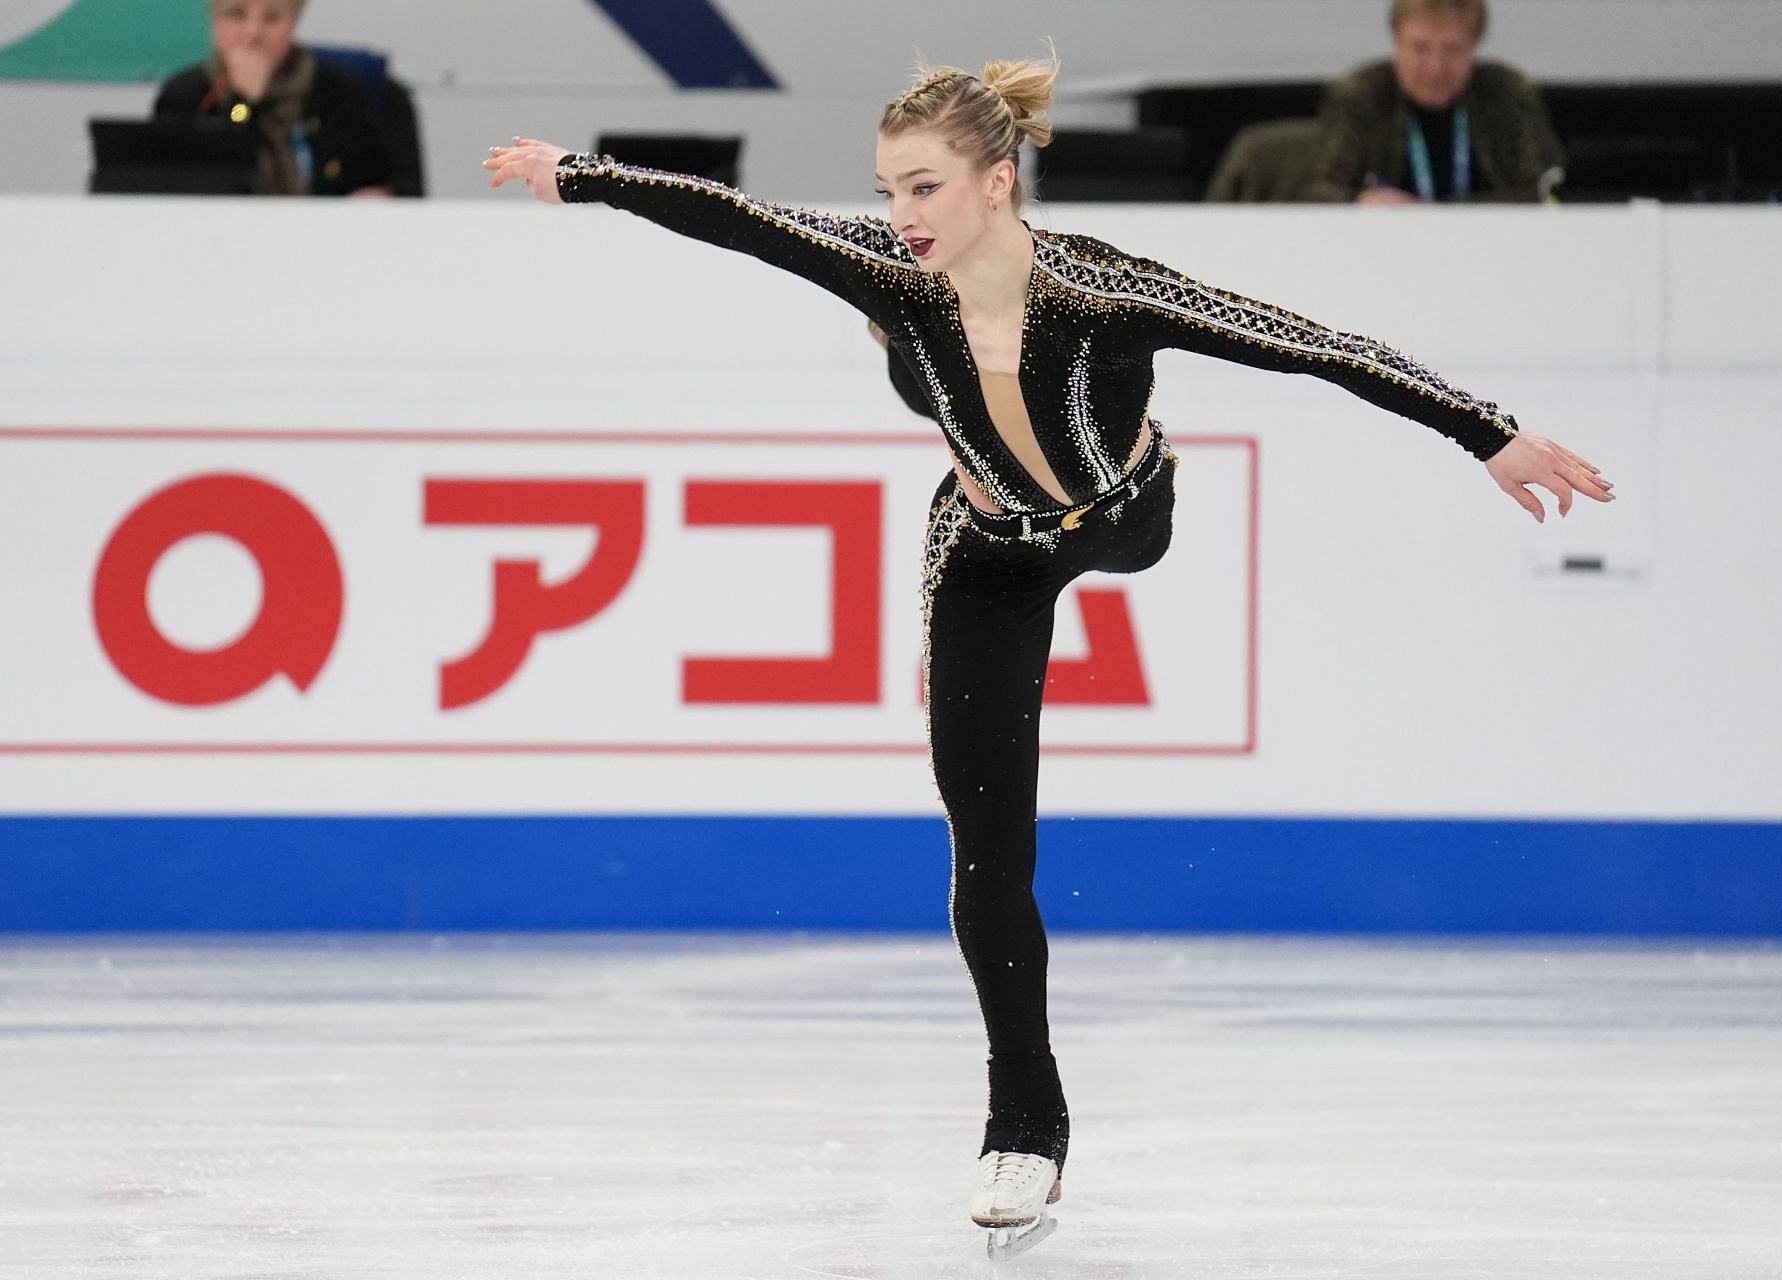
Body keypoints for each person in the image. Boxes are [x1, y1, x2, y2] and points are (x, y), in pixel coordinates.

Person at [483, 52, 1609, 1260]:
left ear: (999, 182)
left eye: (923, 188)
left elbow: (1308, 342)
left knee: (1111, 501)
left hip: (1129, 516)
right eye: (887, 189)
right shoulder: (890, 271)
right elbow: (737, 218)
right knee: (988, 842)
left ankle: (1099, 480)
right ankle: (1025, 1112)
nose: (900, 216)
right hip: (986, 549)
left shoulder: (1101, 293)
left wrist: (1486, 433)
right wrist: (578, 176)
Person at [1302, 0, 1564, 204]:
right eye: (1420, 48)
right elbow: (1318, 191)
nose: (1435, 69)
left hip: (1490, 245)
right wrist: (1358, 201)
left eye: (1453, 50)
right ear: (1397, 42)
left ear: (1474, 47)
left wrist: (1443, 215)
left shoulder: (1508, 95)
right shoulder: (1360, 96)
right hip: (1383, 247)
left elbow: (1541, 188)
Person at [154, 0, 395, 198]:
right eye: (236, 15)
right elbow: (197, 185)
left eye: (272, 18)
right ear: (214, 21)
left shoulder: (339, 91)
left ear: (293, 23)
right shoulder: (185, 95)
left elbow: (391, 179)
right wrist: (244, 102)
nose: (253, 33)